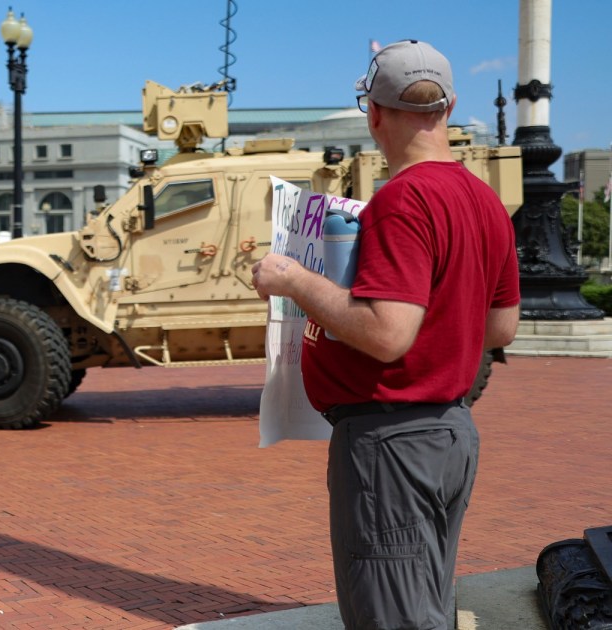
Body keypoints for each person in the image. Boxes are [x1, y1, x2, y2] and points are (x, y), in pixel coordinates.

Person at [251, 40, 520, 630]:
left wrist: (292, 278)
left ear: (373, 113)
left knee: (394, 618)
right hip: (449, 433)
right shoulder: (485, 200)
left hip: (390, 444)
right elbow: (502, 325)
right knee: (424, 605)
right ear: (449, 106)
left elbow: (387, 334)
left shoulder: (402, 199)